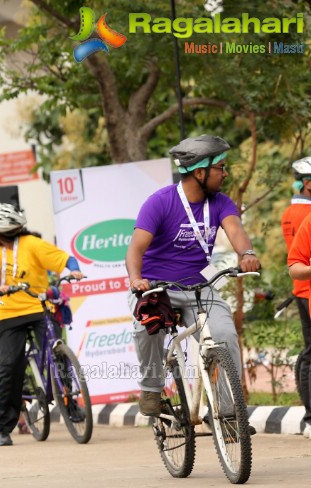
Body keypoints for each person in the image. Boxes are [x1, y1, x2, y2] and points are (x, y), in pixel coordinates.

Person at [126, 135, 259, 418]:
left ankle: (227, 414)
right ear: (200, 172)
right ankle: (151, 388)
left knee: (224, 335)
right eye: (220, 167)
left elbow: (234, 230)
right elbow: (135, 250)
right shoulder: (160, 202)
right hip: (156, 287)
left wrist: (246, 253)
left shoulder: (220, 203)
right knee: (146, 325)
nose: (225, 174)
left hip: (200, 286)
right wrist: (136, 280)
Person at [0, 202, 83, 446]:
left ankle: (71, 404)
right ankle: (4, 428)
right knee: (9, 366)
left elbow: (65, 259)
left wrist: (75, 270)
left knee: (58, 353)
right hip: (5, 313)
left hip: (37, 307)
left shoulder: (32, 244)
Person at [282, 157, 311, 430]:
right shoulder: (306, 215)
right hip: (307, 287)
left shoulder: (290, 212)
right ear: (306, 184)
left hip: (301, 288)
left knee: (308, 353)